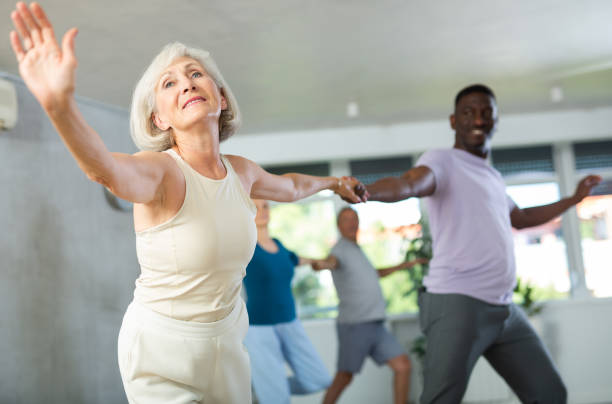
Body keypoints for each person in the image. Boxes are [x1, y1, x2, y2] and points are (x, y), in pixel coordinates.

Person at [8, 3, 365, 403]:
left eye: (196, 74)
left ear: (222, 98)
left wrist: (335, 183)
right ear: (159, 119)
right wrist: (59, 107)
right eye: (169, 83)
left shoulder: (243, 173)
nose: (187, 84)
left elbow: (291, 186)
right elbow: (104, 169)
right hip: (161, 351)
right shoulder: (161, 172)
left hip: (227, 342)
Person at [359, 83, 602, 403]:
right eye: (468, 112)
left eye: (487, 113)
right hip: (457, 304)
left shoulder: (492, 177)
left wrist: (573, 199)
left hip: (504, 309)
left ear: (496, 121)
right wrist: (369, 191)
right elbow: (409, 183)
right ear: (453, 121)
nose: (478, 119)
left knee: (550, 394)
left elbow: (522, 217)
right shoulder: (442, 161)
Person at [314, 206, 423, 404]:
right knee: (344, 377)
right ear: (339, 225)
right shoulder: (339, 250)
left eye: (354, 218)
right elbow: (331, 262)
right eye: (346, 219)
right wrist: (322, 264)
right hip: (355, 325)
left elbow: (375, 274)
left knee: (403, 365)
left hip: (375, 323)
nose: (352, 223)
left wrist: (403, 265)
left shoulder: (357, 250)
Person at [242, 199, 331, 404]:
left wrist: (322, 262)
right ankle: (268, 390)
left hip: (290, 322)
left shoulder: (279, 244)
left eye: (265, 206)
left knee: (318, 379)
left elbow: (295, 259)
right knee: (276, 399)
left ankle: (261, 387)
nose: (262, 211)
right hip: (259, 328)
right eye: (255, 207)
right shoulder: (244, 247)